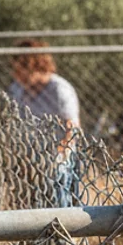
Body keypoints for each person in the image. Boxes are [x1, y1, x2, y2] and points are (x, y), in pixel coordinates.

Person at [8, 39, 81, 208]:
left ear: (31, 65)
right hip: (28, 159)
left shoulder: (59, 89)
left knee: (58, 206)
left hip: (58, 160)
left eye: (18, 67)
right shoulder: (17, 89)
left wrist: (56, 159)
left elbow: (72, 129)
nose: (14, 73)